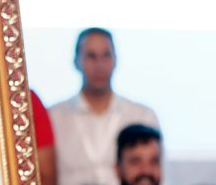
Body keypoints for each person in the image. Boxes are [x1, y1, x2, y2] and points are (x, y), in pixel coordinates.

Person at [50, 29, 159, 185]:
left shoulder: (143, 116)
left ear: (115, 60)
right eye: (91, 56)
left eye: (106, 55)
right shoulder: (54, 117)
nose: (99, 65)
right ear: (76, 61)